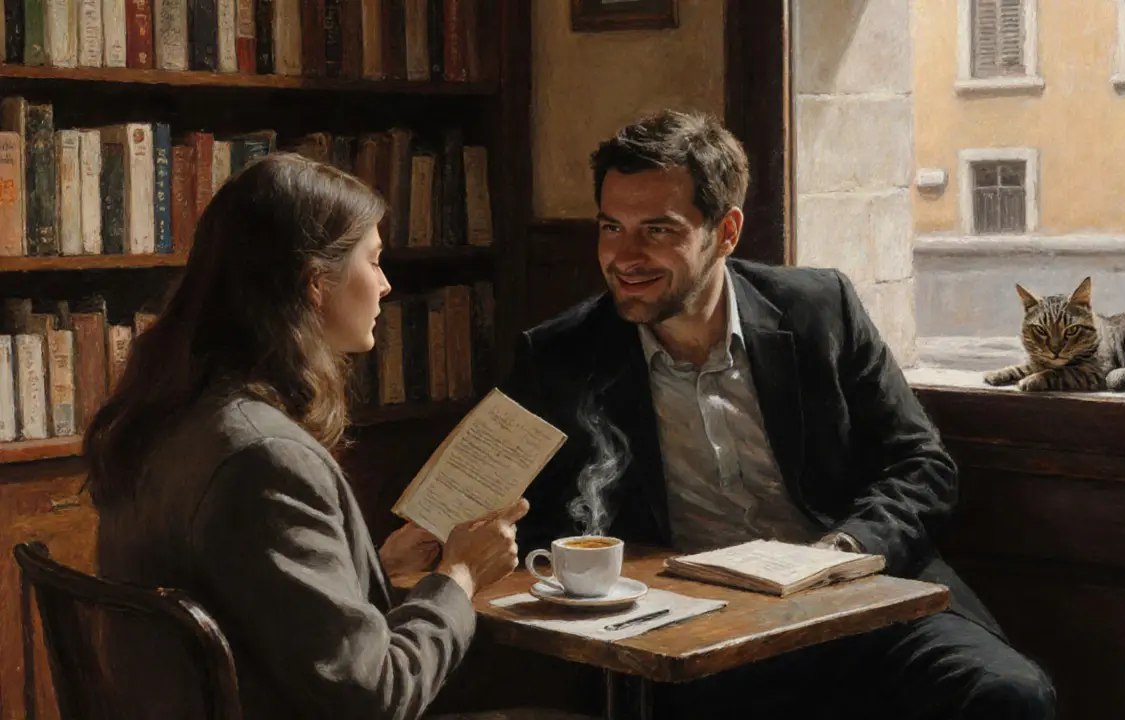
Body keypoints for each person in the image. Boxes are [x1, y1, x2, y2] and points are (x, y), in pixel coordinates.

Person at [502, 110, 1057, 719]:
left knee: (1008, 695)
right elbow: (521, 520)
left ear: (727, 231)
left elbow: (922, 465)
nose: (625, 256)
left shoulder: (820, 308)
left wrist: (841, 551)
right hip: (695, 633)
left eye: (658, 230)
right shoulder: (560, 356)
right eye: (612, 227)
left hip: (860, 599)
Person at [84, 153, 578, 720]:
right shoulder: (265, 459)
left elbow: (255, 605)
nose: (386, 285)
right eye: (374, 260)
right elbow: (376, 696)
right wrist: (459, 575)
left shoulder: (168, 417)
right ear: (316, 284)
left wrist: (375, 566)